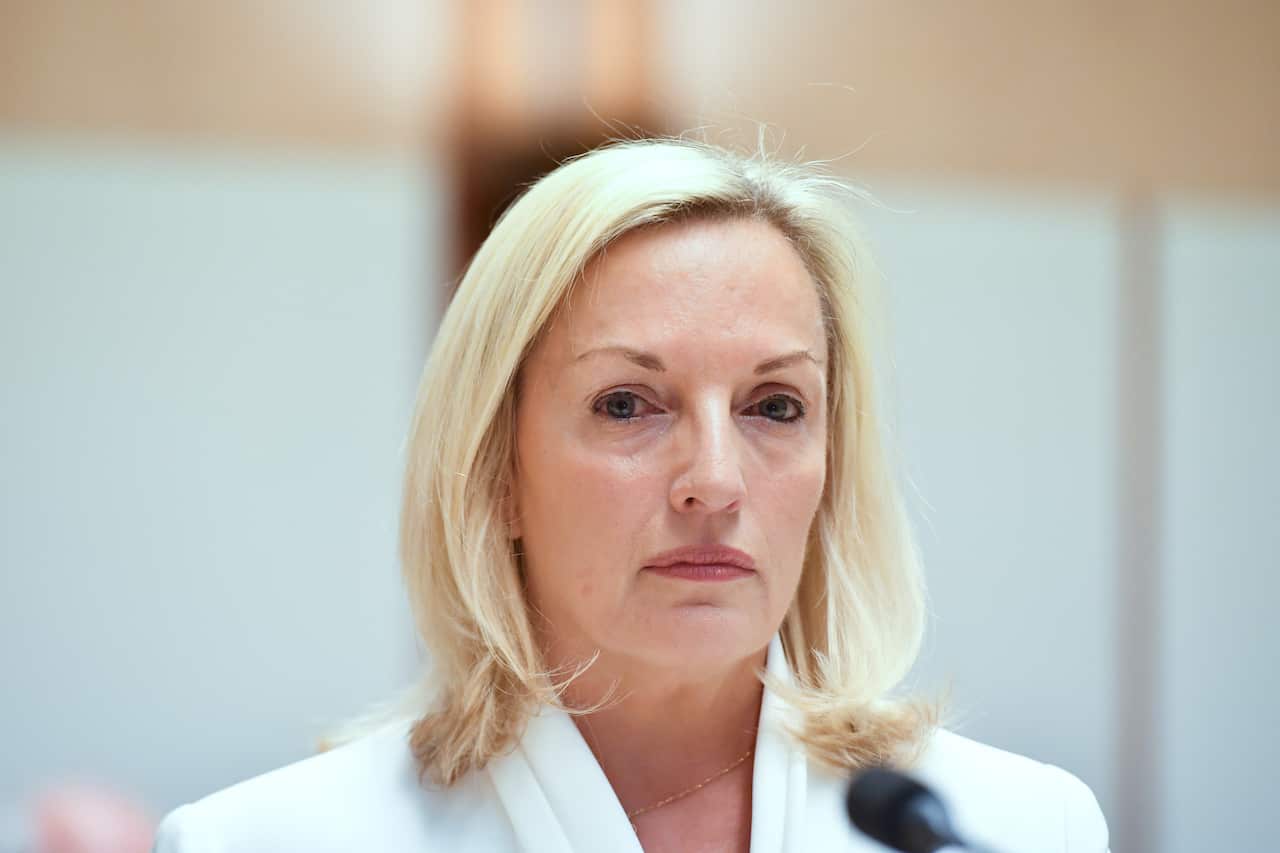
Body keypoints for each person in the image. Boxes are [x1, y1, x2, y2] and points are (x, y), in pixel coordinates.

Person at [153, 138, 1109, 852]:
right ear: (496, 472)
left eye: (775, 405)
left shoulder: (1017, 827)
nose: (715, 481)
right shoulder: (263, 840)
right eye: (626, 404)